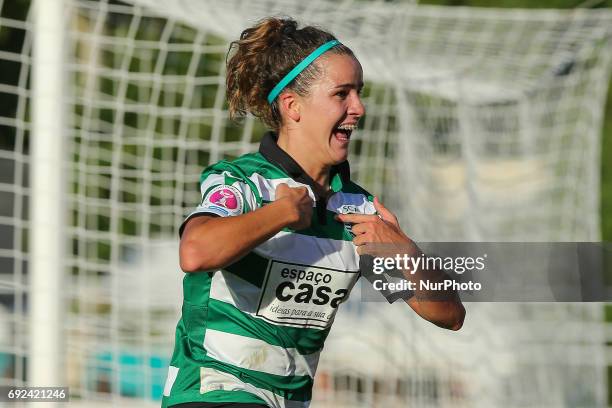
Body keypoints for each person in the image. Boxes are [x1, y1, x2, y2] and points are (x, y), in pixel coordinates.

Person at [161, 17, 465, 408]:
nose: (359, 107)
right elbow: (195, 252)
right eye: (342, 94)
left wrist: (405, 253)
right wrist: (282, 213)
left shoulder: (358, 212)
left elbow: (448, 315)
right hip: (212, 389)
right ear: (293, 107)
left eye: (359, 92)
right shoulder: (242, 183)